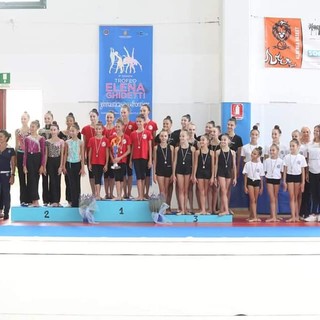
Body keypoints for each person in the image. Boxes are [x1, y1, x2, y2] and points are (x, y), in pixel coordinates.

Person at [81, 108, 106, 194]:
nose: (92, 118)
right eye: (91, 116)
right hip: (90, 155)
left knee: (98, 175)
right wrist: (84, 156)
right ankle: (93, 193)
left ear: (97, 117)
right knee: (91, 175)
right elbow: (84, 143)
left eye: (94, 116)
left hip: (100, 156)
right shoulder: (85, 129)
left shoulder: (102, 128)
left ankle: (98, 193)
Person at [58, 112, 80, 205]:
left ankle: (76, 200)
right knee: (68, 181)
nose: (69, 122)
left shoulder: (78, 134)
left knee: (76, 181)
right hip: (65, 159)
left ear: (74, 122)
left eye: (71, 121)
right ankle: (69, 200)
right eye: (67, 121)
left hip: (75, 160)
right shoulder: (61, 133)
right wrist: (62, 164)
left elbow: (79, 147)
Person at [283, 139, 307, 222]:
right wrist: (284, 181)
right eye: (290, 146)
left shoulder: (301, 157)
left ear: (298, 146)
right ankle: (292, 216)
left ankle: (297, 216)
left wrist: (303, 182)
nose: (291, 147)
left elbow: (303, 171)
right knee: (291, 197)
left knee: (296, 197)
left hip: (298, 177)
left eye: (293, 146)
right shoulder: (286, 157)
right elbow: (285, 170)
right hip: (289, 177)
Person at [23, 120, 46, 207]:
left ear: (37, 128)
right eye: (31, 126)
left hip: (37, 158)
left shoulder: (41, 139)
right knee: (30, 179)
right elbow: (25, 152)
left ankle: (36, 201)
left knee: (36, 179)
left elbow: (43, 153)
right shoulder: (27, 138)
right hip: (29, 157)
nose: (31, 128)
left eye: (33, 126)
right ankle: (34, 200)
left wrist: (42, 165)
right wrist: (24, 165)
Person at [129, 114, 152, 200]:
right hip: (136, 157)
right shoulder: (133, 134)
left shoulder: (148, 133)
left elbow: (150, 147)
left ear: (144, 122)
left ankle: (143, 195)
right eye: (137, 121)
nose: (138, 123)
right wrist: (130, 160)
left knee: (143, 176)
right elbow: (132, 148)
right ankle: (140, 195)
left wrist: (150, 160)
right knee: (138, 176)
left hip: (145, 157)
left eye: (140, 121)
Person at [172, 130, 195, 215]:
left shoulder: (192, 149)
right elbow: (174, 162)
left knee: (186, 190)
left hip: (188, 171)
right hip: (179, 171)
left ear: (188, 137)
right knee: (181, 190)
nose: (181, 138)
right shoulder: (177, 149)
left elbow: (193, 163)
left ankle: (185, 209)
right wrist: (173, 174)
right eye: (180, 136)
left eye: (183, 136)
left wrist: (193, 174)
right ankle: (182, 209)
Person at [214, 134, 237, 216]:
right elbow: (216, 165)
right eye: (222, 140)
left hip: (228, 173)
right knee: (223, 190)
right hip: (221, 172)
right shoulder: (218, 152)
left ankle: (222, 209)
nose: (223, 141)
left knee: (225, 192)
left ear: (228, 141)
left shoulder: (233, 152)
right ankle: (226, 210)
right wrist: (214, 177)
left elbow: (234, 166)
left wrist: (235, 178)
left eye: (225, 140)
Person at [109, 119, 131, 200]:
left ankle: (120, 195)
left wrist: (120, 158)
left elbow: (129, 150)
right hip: (115, 162)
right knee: (117, 178)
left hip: (123, 161)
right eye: (116, 126)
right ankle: (118, 195)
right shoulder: (112, 137)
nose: (117, 128)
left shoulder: (127, 137)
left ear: (122, 127)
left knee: (122, 178)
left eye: (119, 126)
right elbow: (109, 150)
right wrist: (113, 159)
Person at [64, 122, 85, 207]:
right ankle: (72, 202)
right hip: (69, 164)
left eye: (73, 131)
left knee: (77, 183)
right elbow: (65, 154)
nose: (71, 132)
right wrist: (63, 166)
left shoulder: (81, 142)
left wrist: (82, 167)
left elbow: (82, 155)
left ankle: (78, 202)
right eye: (70, 131)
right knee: (71, 183)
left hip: (77, 164)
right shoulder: (67, 142)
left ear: (78, 131)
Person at [192, 135, 214, 214]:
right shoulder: (197, 152)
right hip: (200, 173)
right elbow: (195, 165)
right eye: (200, 140)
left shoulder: (211, 153)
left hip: (208, 173)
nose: (201, 141)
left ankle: (209, 209)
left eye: (203, 140)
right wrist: (194, 175)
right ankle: (203, 209)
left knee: (207, 191)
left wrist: (212, 177)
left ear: (207, 142)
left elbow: (213, 166)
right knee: (201, 191)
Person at [140, 104, 158, 199]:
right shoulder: (138, 123)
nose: (142, 112)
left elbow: (154, 140)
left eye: (144, 110)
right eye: (141, 111)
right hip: (140, 153)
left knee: (147, 173)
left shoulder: (153, 124)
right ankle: (141, 193)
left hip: (149, 153)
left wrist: (152, 156)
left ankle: (146, 192)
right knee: (141, 173)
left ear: (148, 112)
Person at [153, 130, 174, 210]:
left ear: (168, 137)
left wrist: (173, 173)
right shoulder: (156, 148)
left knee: (167, 190)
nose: (163, 138)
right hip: (160, 171)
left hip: (168, 170)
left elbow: (172, 161)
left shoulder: (171, 148)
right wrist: (154, 174)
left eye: (165, 136)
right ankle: (163, 208)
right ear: (159, 137)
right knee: (162, 191)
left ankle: (167, 207)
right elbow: (155, 161)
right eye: (162, 136)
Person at [87, 122, 109, 200]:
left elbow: (107, 153)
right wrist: (89, 163)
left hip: (102, 162)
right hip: (94, 162)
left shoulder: (105, 140)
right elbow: (90, 152)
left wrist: (106, 164)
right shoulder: (92, 139)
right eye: (96, 129)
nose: (98, 130)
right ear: (94, 130)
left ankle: (98, 194)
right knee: (96, 178)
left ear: (102, 129)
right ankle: (97, 195)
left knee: (100, 178)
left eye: (99, 129)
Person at [45, 122, 64, 207]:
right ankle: (52, 200)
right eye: (51, 130)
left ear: (58, 131)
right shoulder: (47, 141)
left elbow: (62, 154)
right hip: (50, 161)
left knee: (57, 181)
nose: (53, 131)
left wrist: (61, 166)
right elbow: (46, 154)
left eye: (54, 130)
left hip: (57, 161)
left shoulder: (61, 141)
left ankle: (57, 200)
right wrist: (44, 166)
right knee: (51, 180)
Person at [243, 147, 265, 222]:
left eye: (255, 154)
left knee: (255, 200)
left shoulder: (260, 165)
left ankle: (251, 216)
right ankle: (255, 217)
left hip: (257, 182)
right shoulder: (247, 164)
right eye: (252, 153)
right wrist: (245, 186)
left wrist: (262, 187)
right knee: (252, 199)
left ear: (258, 156)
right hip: (250, 182)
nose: (252, 154)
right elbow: (245, 176)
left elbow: (261, 176)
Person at [264, 144, 284, 222]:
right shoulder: (267, 161)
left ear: (277, 151)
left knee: (275, 197)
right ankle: (273, 216)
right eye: (271, 150)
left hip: (277, 180)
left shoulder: (281, 161)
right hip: (269, 179)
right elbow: (265, 171)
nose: (271, 152)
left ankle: (274, 215)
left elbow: (282, 172)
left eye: (273, 150)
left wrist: (282, 180)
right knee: (272, 198)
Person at [120, 104, 137, 199]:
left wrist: (131, 158)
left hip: (130, 153)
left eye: (124, 112)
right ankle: (124, 193)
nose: (123, 114)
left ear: (129, 112)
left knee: (129, 173)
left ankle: (129, 193)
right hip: (121, 154)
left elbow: (134, 140)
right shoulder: (118, 124)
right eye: (122, 112)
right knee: (122, 174)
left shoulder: (133, 125)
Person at [15, 111, 30, 206]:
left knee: (29, 176)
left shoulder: (31, 130)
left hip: (29, 155)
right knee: (21, 176)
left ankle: (29, 198)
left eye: (24, 118)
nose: (23, 120)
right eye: (22, 118)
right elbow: (16, 145)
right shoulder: (17, 131)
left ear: (28, 119)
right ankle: (23, 199)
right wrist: (15, 157)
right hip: (20, 154)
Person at [305, 125, 320, 222]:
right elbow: (307, 159)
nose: (316, 133)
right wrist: (307, 172)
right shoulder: (309, 145)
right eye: (315, 131)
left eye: (318, 131)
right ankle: (313, 213)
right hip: (312, 171)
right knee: (313, 193)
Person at [39, 111, 54, 206]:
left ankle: (53, 200)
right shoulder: (41, 131)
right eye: (45, 118)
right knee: (44, 179)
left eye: (48, 118)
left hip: (53, 158)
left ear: (52, 119)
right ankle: (45, 200)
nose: (47, 120)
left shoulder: (55, 130)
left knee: (53, 179)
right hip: (43, 157)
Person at [0, 130, 16, 220]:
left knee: (6, 193)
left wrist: (12, 175)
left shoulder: (11, 149)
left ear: (6, 138)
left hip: (6, 175)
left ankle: (6, 212)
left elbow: (13, 164)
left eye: (1, 136)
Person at [104, 111, 117, 199]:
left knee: (112, 176)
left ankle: (111, 193)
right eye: (108, 117)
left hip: (113, 156)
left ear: (114, 118)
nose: (109, 119)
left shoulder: (116, 129)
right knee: (105, 176)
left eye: (111, 117)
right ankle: (106, 193)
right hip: (104, 155)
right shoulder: (102, 129)